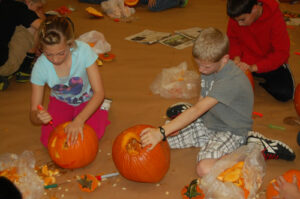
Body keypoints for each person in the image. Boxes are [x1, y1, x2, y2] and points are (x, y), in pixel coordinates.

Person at [140, 27, 254, 177]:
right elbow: (200, 104)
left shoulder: (231, 80)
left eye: (206, 66)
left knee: (204, 169)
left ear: (224, 59)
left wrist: (162, 131)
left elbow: (198, 109)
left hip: (231, 131)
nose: (201, 70)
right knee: (160, 143)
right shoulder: (210, 68)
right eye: (198, 64)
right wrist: (178, 126)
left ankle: (247, 149)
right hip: (209, 121)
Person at [30, 16, 111, 147]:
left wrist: (79, 120)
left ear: (70, 43)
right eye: (49, 54)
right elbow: (33, 112)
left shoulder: (83, 51)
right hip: (61, 101)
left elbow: (99, 92)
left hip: (88, 98)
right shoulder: (39, 67)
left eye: (61, 53)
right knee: (49, 140)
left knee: (92, 135)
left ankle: (103, 106)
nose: (55, 60)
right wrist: (37, 116)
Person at [226, 0, 294, 102]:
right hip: (244, 61)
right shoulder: (237, 14)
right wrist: (236, 58)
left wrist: (255, 67)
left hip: (269, 62)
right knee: (219, 81)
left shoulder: (275, 18)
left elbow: (281, 53)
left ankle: (261, 80)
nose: (239, 24)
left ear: (254, 9)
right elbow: (232, 39)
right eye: (236, 21)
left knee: (285, 93)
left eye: (242, 20)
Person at [0, 0, 45, 91]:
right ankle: (25, 67)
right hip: (4, 67)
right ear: (29, 3)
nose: (41, 10)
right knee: (33, 26)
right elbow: (45, 28)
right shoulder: (18, 7)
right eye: (39, 8)